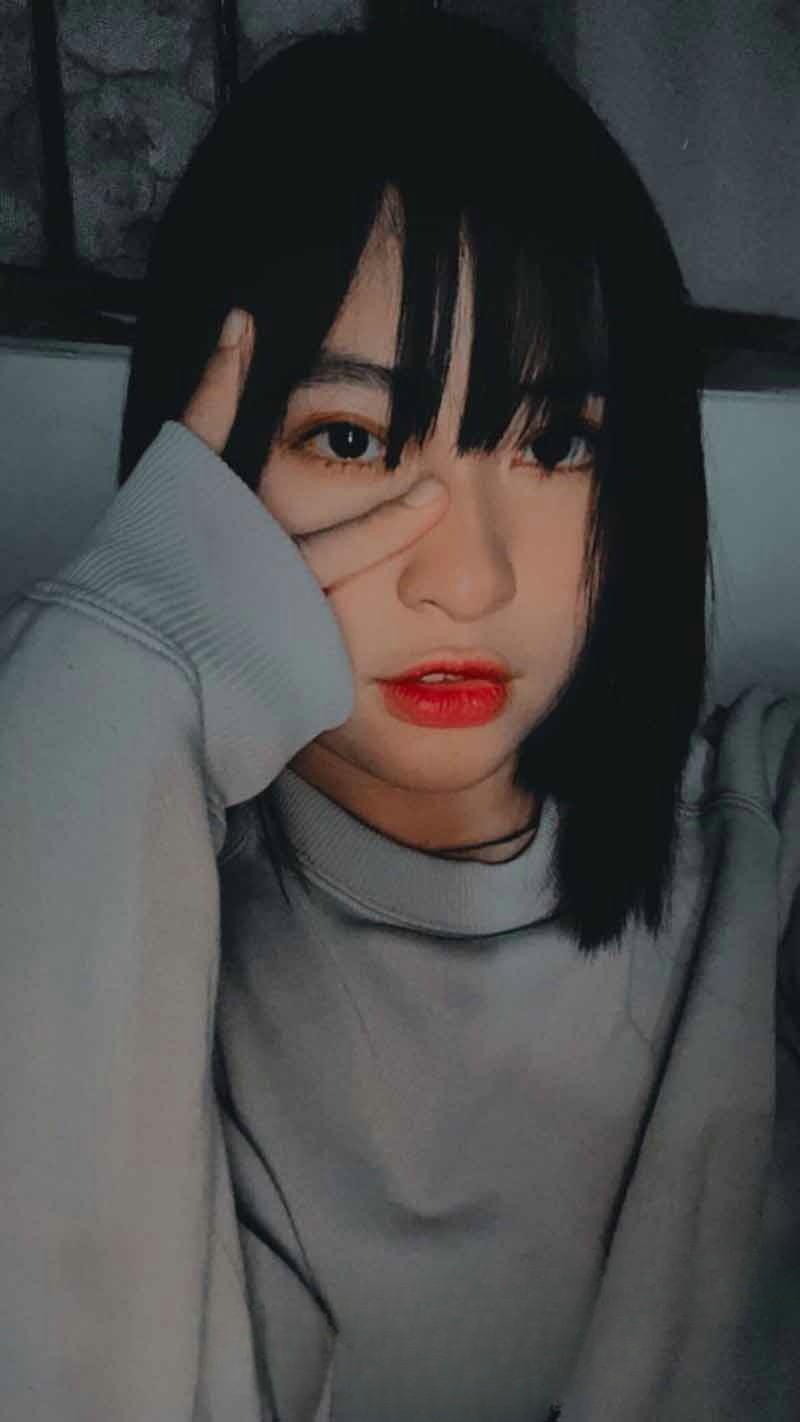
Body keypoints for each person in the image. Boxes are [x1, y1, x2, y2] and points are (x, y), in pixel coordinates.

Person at [1, 11, 798, 1421]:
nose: (466, 578)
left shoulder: (761, 841)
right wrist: (114, 667)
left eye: (556, 443)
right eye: (352, 438)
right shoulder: (88, 843)